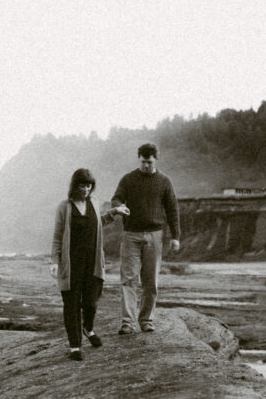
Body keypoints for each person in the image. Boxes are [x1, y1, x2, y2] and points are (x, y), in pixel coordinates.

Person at [50, 168, 128, 360]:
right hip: (71, 263)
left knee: (91, 302)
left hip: (92, 262)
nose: (85, 189)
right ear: (74, 185)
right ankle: (75, 346)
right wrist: (54, 261)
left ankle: (88, 329)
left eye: (89, 185)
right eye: (82, 185)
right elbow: (58, 236)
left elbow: (98, 223)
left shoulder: (93, 202)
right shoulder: (64, 207)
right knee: (72, 304)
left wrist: (114, 211)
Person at [110, 142, 180, 335]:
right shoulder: (128, 179)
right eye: (142, 162)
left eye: (149, 162)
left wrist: (176, 236)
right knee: (128, 280)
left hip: (155, 235)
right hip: (130, 235)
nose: (145, 166)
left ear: (155, 160)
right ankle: (127, 322)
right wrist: (119, 206)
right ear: (138, 159)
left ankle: (147, 320)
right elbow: (116, 198)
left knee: (151, 281)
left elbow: (172, 210)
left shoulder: (165, 181)